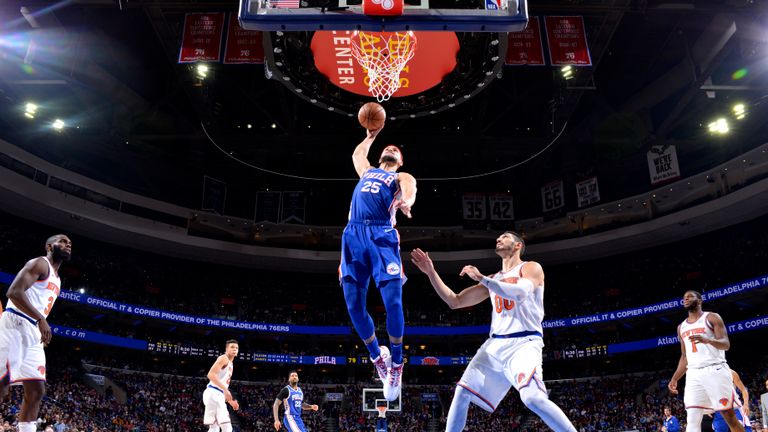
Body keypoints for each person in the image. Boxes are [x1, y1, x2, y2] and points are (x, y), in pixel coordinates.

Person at [410, 232, 577, 432]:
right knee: (462, 393)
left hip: (524, 343)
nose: (499, 239)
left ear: (517, 246)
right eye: (498, 237)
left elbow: (520, 293)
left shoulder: (530, 267)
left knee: (532, 398)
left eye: (505, 237)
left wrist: (481, 278)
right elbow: (455, 301)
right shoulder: (494, 278)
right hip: (494, 345)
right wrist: (431, 272)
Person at [340, 125, 416, 401]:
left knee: (393, 302)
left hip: (382, 234)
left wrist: (406, 201)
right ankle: (377, 359)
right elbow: (357, 155)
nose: (391, 149)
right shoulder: (368, 171)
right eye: (389, 147)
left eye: (396, 150)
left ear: (401, 161)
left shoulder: (401, 176)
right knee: (353, 306)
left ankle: (396, 363)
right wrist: (370, 137)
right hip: (353, 235)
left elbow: (410, 187)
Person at [0, 235, 71, 432]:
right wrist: (41, 319)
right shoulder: (40, 263)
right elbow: (14, 292)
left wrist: (38, 321)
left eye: (70, 243)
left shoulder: (57, 278)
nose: (68, 245)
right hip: (15, 323)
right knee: (2, 384)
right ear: (49, 246)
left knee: (36, 390)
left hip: (33, 333)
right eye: (63, 241)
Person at [668, 290, 745, 432]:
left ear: (699, 300)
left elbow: (726, 344)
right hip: (693, 374)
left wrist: (708, 340)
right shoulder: (681, 327)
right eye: (684, 297)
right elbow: (684, 356)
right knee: (692, 418)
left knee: (729, 416)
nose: (686, 299)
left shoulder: (712, 318)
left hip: (715, 369)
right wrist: (674, 378)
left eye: (690, 296)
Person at [202, 340, 240, 432]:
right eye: (232, 347)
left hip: (216, 394)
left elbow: (223, 386)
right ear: (226, 349)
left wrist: (230, 401)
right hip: (214, 393)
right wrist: (226, 390)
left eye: (236, 348)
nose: (235, 349)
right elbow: (210, 374)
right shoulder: (224, 358)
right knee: (227, 428)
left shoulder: (231, 363)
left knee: (214, 428)